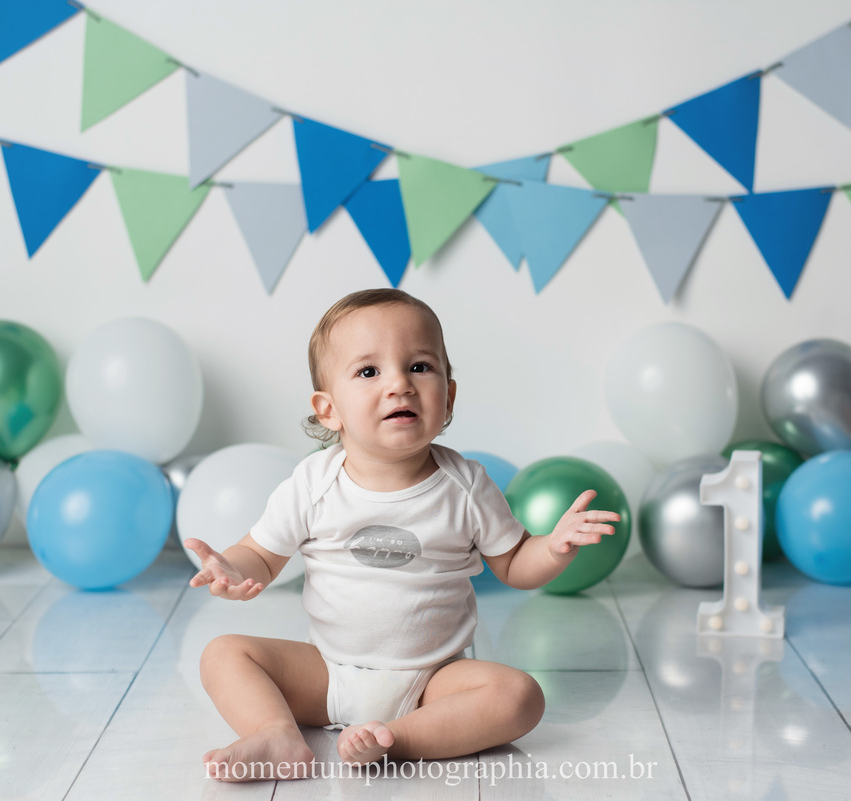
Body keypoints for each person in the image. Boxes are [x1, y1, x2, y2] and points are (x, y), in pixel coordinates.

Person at [185, 288, 620, 782]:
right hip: (327, 672)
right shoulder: (312, 483)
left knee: (521, 696)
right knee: (223, 653)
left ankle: (400, 739)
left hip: (434, 680)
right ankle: (276, 732)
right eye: (369, 372)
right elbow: (260, 556)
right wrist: (232, 568)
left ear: (449, 395)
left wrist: (553, 546)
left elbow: (517, 564)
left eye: (420, 367)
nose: (400, 385)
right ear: (329, 411)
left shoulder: (466, 484)